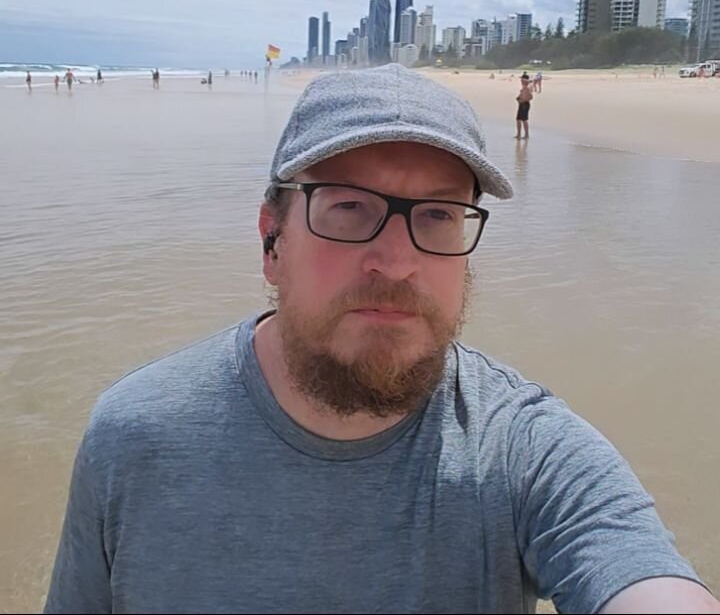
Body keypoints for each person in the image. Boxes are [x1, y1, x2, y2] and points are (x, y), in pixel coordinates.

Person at [44, 64, 718, 615]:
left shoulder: (523, 451)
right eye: (349, 207)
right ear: (272, 240)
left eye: (437, 215)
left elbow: (640, 579)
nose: (396, 262)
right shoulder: (135, 436)